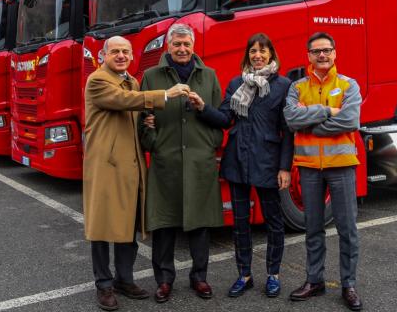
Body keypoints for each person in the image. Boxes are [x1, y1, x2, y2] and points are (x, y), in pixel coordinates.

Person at [83, 36, 190, 311]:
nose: (121, 56)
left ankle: (124, 280)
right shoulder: (98, 80)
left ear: (132, 57)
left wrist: (149, 122)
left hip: (131, 165)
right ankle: (103, 285)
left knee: (127, 224)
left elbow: (133, 112)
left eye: (126, 52)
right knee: (102, 227)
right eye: (115, 51)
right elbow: (122, 101)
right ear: (103, 55)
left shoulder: (131, 80)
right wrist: (166, 94)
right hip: (106, 166)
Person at [187, 33, 294, 298]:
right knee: (240, 223)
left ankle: (273, 275)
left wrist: (285, 167)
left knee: (274, 222)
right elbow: (225, 119)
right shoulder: (237, 83)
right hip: (237, 160)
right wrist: (202, 108)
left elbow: (287, 131)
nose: (257, 56)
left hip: (268, 162)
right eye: (252, 52)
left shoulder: (283, 85)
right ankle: (244, 275)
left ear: (271, 54)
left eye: (262, 51)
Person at [139, 23, 224, 302]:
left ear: (194, 45)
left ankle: (199, 277)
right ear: (168, 46)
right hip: (167, 161)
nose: (182, 49)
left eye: (187, 44)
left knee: (200, 225)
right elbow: (142, 119)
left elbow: (219, 119)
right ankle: (164, 280)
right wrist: (152, 139)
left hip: (200, 161)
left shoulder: (209, 76)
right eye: (177, 44)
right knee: (164, 225)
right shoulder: (151, 77)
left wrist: (210, 141)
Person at [283, 32, 363, 311]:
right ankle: (314, 280)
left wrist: (312, 121)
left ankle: (348, 284)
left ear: (335, 53)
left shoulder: (348, 85)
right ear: (308, 56)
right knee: (312, 228)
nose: (322, 55)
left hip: (340, 165)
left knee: (347, 229)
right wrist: (329, 111)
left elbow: (351, 119)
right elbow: (292, 119)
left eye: (327, 50)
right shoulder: (296, 87)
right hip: (308, 168)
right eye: (316, 51)